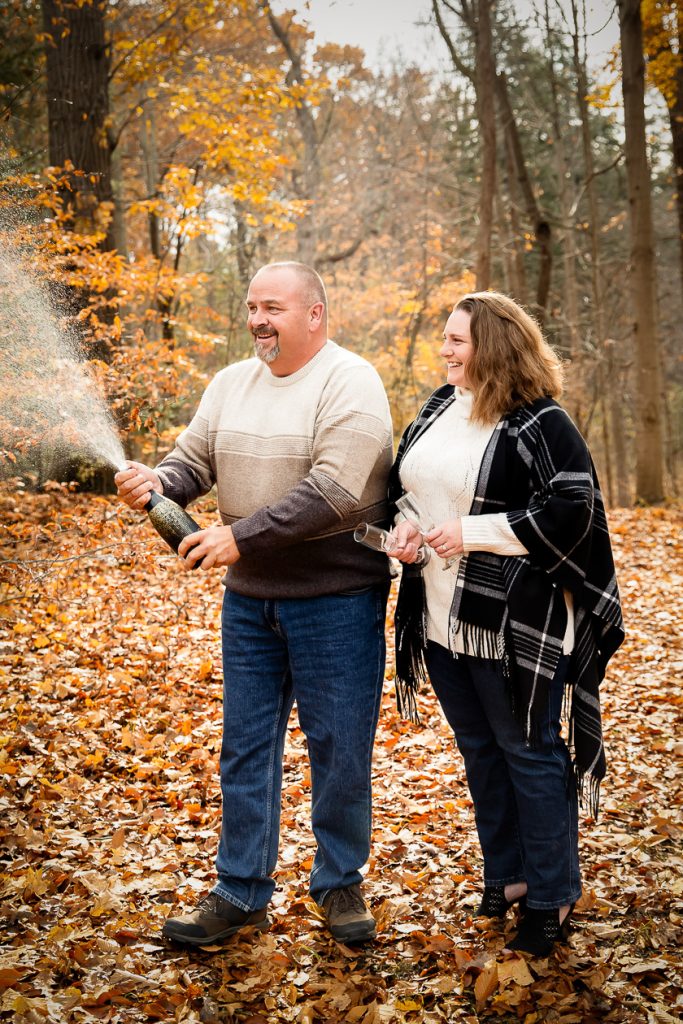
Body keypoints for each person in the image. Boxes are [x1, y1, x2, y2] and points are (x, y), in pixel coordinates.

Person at [115, 261, 393, 946]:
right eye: (251, 307)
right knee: (244, 749)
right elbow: (192, 463)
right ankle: (240, 890)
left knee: (339, 750)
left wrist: (240, 537)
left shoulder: (350, 381)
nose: (257, 320)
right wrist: (158, 482)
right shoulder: (230, 384)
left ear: (314, 314)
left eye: (272, 307)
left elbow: (332, 492)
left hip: (337, 599)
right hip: (250, 604)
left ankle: (339, 884)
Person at [386, 291, 624, 957]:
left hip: (515, 625)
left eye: (457, 340)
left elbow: (572, 511)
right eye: (444, 337)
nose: (444, 349)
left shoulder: (541, 422)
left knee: (529, 752)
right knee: (481, 751)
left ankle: (552, 893)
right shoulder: (439, 406)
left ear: (492, 348)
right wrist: (405, 529)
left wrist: (475, 531)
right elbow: (407, 489)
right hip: (438, 617)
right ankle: (509, 875)